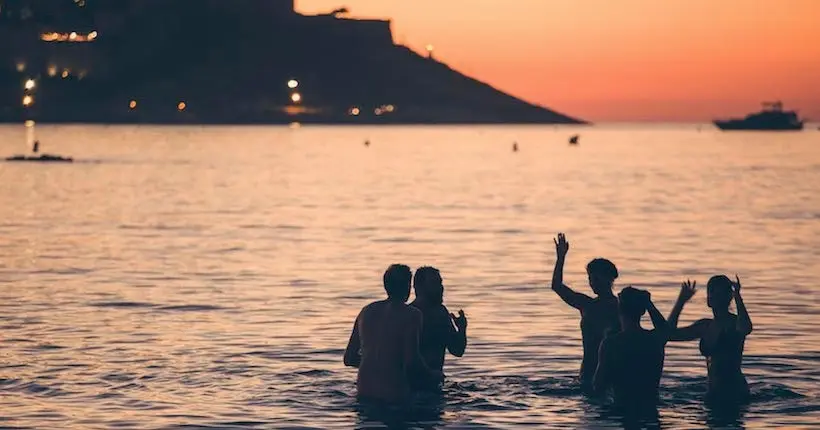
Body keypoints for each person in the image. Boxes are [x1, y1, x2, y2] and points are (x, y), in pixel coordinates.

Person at [343, 264, 443, 403]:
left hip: (363, 393)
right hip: (394, 396)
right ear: (408, 286)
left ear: (386, 285)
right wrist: (433, 375)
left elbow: (349, 359)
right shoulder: (412, 314)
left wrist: (377, 363)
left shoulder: (366, 311)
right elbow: (411, 362)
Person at [551, 233, 621, 390]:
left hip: (612, 373)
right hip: (587, 373)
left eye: (596, 279)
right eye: (590, 278)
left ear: (610, 279)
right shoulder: (587, 305)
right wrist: (560, 258)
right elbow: (557, 286)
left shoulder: (621, 307)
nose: (592, 283)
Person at [668, 275, 753, 402]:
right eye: (710, 291)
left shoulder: (734, 323)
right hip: (713, 392)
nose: (712, 296)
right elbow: (670, 335)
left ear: (728, 297)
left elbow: (746, 328)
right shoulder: (705, 326)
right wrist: (681, 301)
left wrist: (738, 297)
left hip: (735, 392)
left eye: (717, 293)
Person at [593, 287, 669, 411]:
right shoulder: (655, 339)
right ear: (642, 311)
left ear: (619, 310)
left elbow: (598, 386)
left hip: (621, 407)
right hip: (650, 407)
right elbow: (665, 330)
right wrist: (650, 305)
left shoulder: (611, 343)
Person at [409, 266, 467, 389]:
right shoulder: (408, 314)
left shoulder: (441, 313)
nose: (441, 288)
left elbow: (457, 351)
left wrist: (461, 329)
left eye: (440, 283)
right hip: (410, 384)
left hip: (434, 384)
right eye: (435, 283)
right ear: (419, 287)